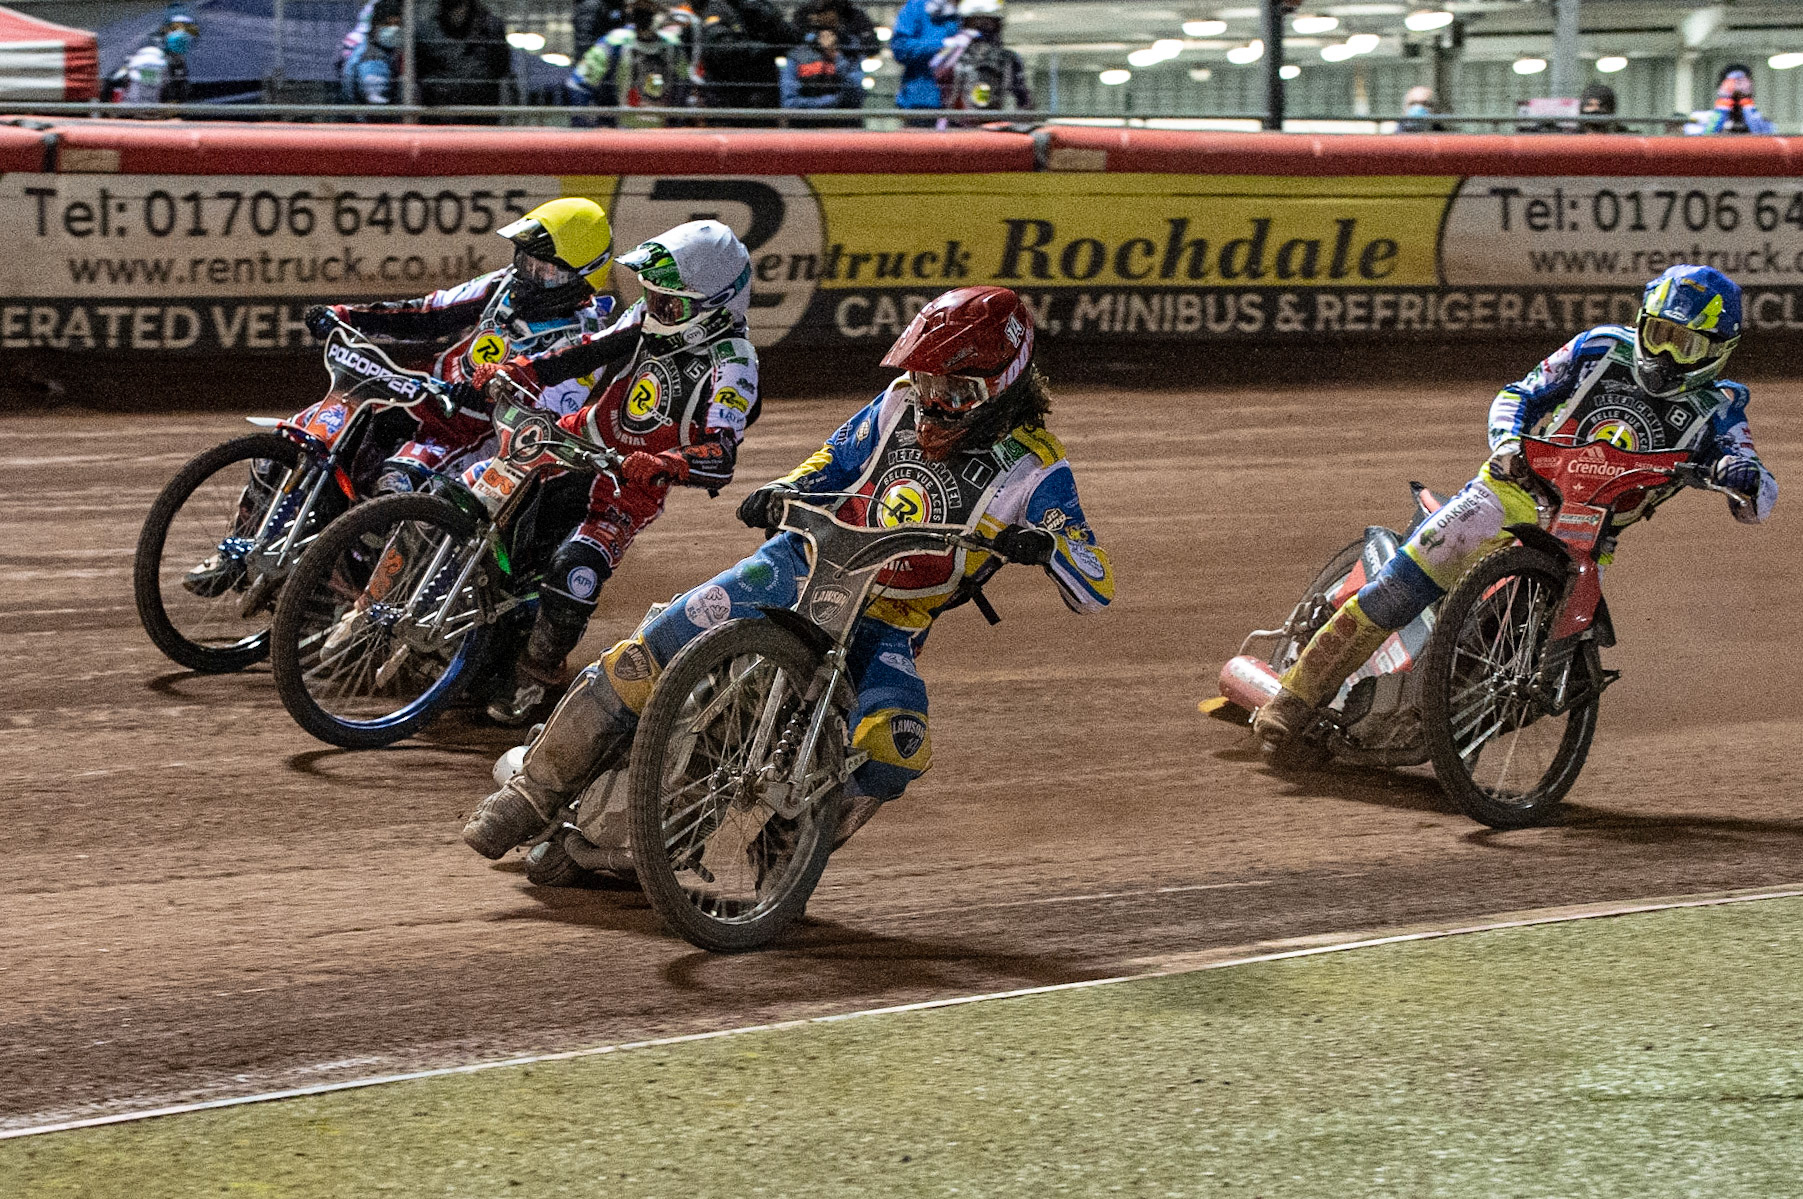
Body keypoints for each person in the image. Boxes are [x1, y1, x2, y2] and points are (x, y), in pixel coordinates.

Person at [462, 284, 1116, 862]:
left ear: (1001, 388)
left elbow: (1095, 583)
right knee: (651, 648)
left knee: (896, 745)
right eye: (927, 383)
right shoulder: (895, 404)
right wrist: (782, 489)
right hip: (797, 564)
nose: (934, 403)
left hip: (885, 622)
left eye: (956, 392)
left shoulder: (1036, 469)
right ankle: (529, 793)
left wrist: (1048, 545)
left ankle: (785, 856)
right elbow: (830, 462)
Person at [1253, 265, 1777, 757]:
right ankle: (1295, 697)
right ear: (1641, 323)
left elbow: (1758, 495)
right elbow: (1518, 394)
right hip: (1513, 489)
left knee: (1548, 668)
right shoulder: (1598, 347)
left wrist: (1743, 476)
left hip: (1588, 536)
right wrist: (1506, 442)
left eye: (1685, 344)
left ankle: (1432, 724)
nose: (1664, 354)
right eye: (1658, 334)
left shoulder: (1722, 408)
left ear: (1718, 351)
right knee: (1400, 587)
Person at [451, 220, 759, 725]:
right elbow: (587, 350)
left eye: (669, 303)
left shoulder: (734, 364)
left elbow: (720, 454)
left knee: (576, 572)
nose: (655, 308)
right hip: (571, 440)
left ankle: (536, 672)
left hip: (626, 486)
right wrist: (520, 370)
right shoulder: (645, 319)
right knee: (465, 497)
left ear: (716, 306)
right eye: (652, 295)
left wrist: (665, 464)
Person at [303, 196, 618, 498]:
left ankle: (388, 532)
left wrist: (488, 396)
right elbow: (430, 315)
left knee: (396, 480)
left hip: (474, 434)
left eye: (546, 271)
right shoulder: (503, 283)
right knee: (312, 432)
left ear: (582, 278)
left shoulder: (587, 342)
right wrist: (347, 316)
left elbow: (542, 419)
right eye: (527, 261)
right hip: (419, 394)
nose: (528, 276)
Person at [567, 0, 689, 122]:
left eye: (651, 12)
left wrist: (675, 121)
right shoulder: (614, 42)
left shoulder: (672, 46)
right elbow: (579, 85)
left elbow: (684, 84)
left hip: (662, 128)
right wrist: (587, 125)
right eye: (639, 11)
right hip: (621, 128)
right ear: (631, 13)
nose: (645, 18)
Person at [930, 0, 1029, 122]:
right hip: (956, 125)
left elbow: (1024, 100)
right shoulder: (951, 54)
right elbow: (940, 87)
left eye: (988, 22)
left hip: (993, 125)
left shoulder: (1008, 58)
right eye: (976, 22)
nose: (982, 27)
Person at [696, 0, 794, 116]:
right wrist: (763, 49)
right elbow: (721, 48)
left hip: (765, 93)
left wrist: (771, 19)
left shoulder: (757, 6)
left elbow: (791, 38)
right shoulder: (717, 8)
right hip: (731, 94)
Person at [414, 0, 511, 112]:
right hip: (443, 114)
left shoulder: (491, 27)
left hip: (477, 114)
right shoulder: (425, 31)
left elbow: (501, 68)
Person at [779, 5, 864, 122]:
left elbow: (856, 97)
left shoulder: (850, 50)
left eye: (830, 10)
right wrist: (832, 101)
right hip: (806, 127)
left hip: (844, 127)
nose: (826, 16)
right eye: (821, 11)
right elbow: (789, 103)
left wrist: (835, 56)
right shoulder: (798, 54)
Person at [109, 3, 197, 104]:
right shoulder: (151, 58)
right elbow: (145, 101)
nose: (182, 34)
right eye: (175, 28)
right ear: (164, 30)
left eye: (188, 29)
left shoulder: (178, 61)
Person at [890, 0, 960, 118]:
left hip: (967, 103)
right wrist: (941, 45)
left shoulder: (976, 7)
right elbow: (900, 48)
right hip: (923, 101)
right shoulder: (916, 6)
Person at [341, 0, 404, 106]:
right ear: (375, 26)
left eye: (398, 24)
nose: (394, 29)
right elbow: (378, 108)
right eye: (387, 24)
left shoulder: (379, 50)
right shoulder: (373, 60)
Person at [1691, 65, 1775, 136]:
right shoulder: (1702, 118)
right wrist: (1723, 105)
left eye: (1742, 81)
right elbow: (1705, 138)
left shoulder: (1763, 122)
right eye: (1731, 82)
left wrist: (1747, 104)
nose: (1737, 86)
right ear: (1720, 88)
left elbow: (1762, 137)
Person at [795, 0, 879, 61]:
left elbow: (871, 47)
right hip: (809, 70)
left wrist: (840, 40)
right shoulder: (805, 14)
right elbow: (794, 45)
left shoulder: (855, 16)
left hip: (847, 71)